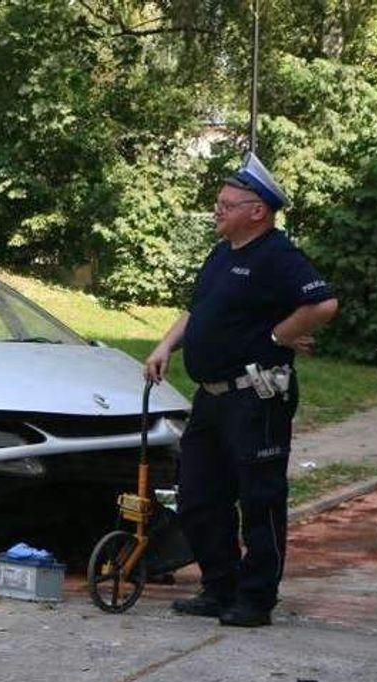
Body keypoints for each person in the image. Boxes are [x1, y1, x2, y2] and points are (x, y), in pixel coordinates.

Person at [143, 153, 338, 627]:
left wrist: (278, 337)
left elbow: (323, 302)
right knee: (196, 495)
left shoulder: (277, 254)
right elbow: (198, 310)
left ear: (258, 211)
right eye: (218, 203)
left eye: (227, 204)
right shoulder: (221, 253)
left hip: (256, 397)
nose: (218, 211)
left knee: (259, 498)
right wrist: (167, 343)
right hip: (211, 395)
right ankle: (219, 585)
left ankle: (254, 599)